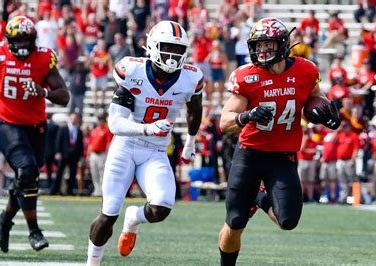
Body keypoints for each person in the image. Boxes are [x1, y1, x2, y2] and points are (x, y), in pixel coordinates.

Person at [217, 17, 341, 265]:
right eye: (258, 45)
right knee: (236, 221)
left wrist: (326, 114)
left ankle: (259, 197)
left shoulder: (306, 70)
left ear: (283, 45)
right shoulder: (247, 76)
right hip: (250, 154)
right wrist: (247, 115)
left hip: (283, 156)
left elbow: (316, 99)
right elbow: (224, 121)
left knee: (288, 221)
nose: (262, 51)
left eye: (268, 45)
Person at [86, 20, 203, 266]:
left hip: (156, 151)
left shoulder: (191, 78)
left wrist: (190, 142)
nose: (172, 55)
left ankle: (134, 218)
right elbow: (116, 124)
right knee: (108, 214)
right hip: (126, 147)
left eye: (177, 49)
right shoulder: (133, 71)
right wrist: (147, 127)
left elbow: (194, 110)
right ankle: (92, 263)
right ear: (152, 46)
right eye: (167, 47)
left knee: (162, 207)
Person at [0, 16, 69, 252]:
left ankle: (4, 219)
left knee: (29, 176)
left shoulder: (43, 57)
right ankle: (34, 231)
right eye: (19, 40)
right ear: (9, 41)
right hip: (8, 122)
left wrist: (43, 91)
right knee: (26, 170)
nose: (24, 46)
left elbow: (64, 96)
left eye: (28, 40)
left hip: (36, 126)